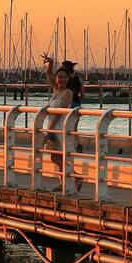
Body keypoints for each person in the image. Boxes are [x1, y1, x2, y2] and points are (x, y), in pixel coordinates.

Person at [42, 54, 81, 193]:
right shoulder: (55, 90)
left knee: (62, 155)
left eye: (65, 77)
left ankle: (73, 178)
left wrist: (51, 128)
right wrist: (51, 62)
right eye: (60, 76)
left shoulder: (68, 93)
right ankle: (67, 181)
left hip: (61, 126)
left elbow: (61, 111)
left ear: (68, 79)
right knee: (54, 156)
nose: (62, 79)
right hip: (52, 125)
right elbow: (48, 73)